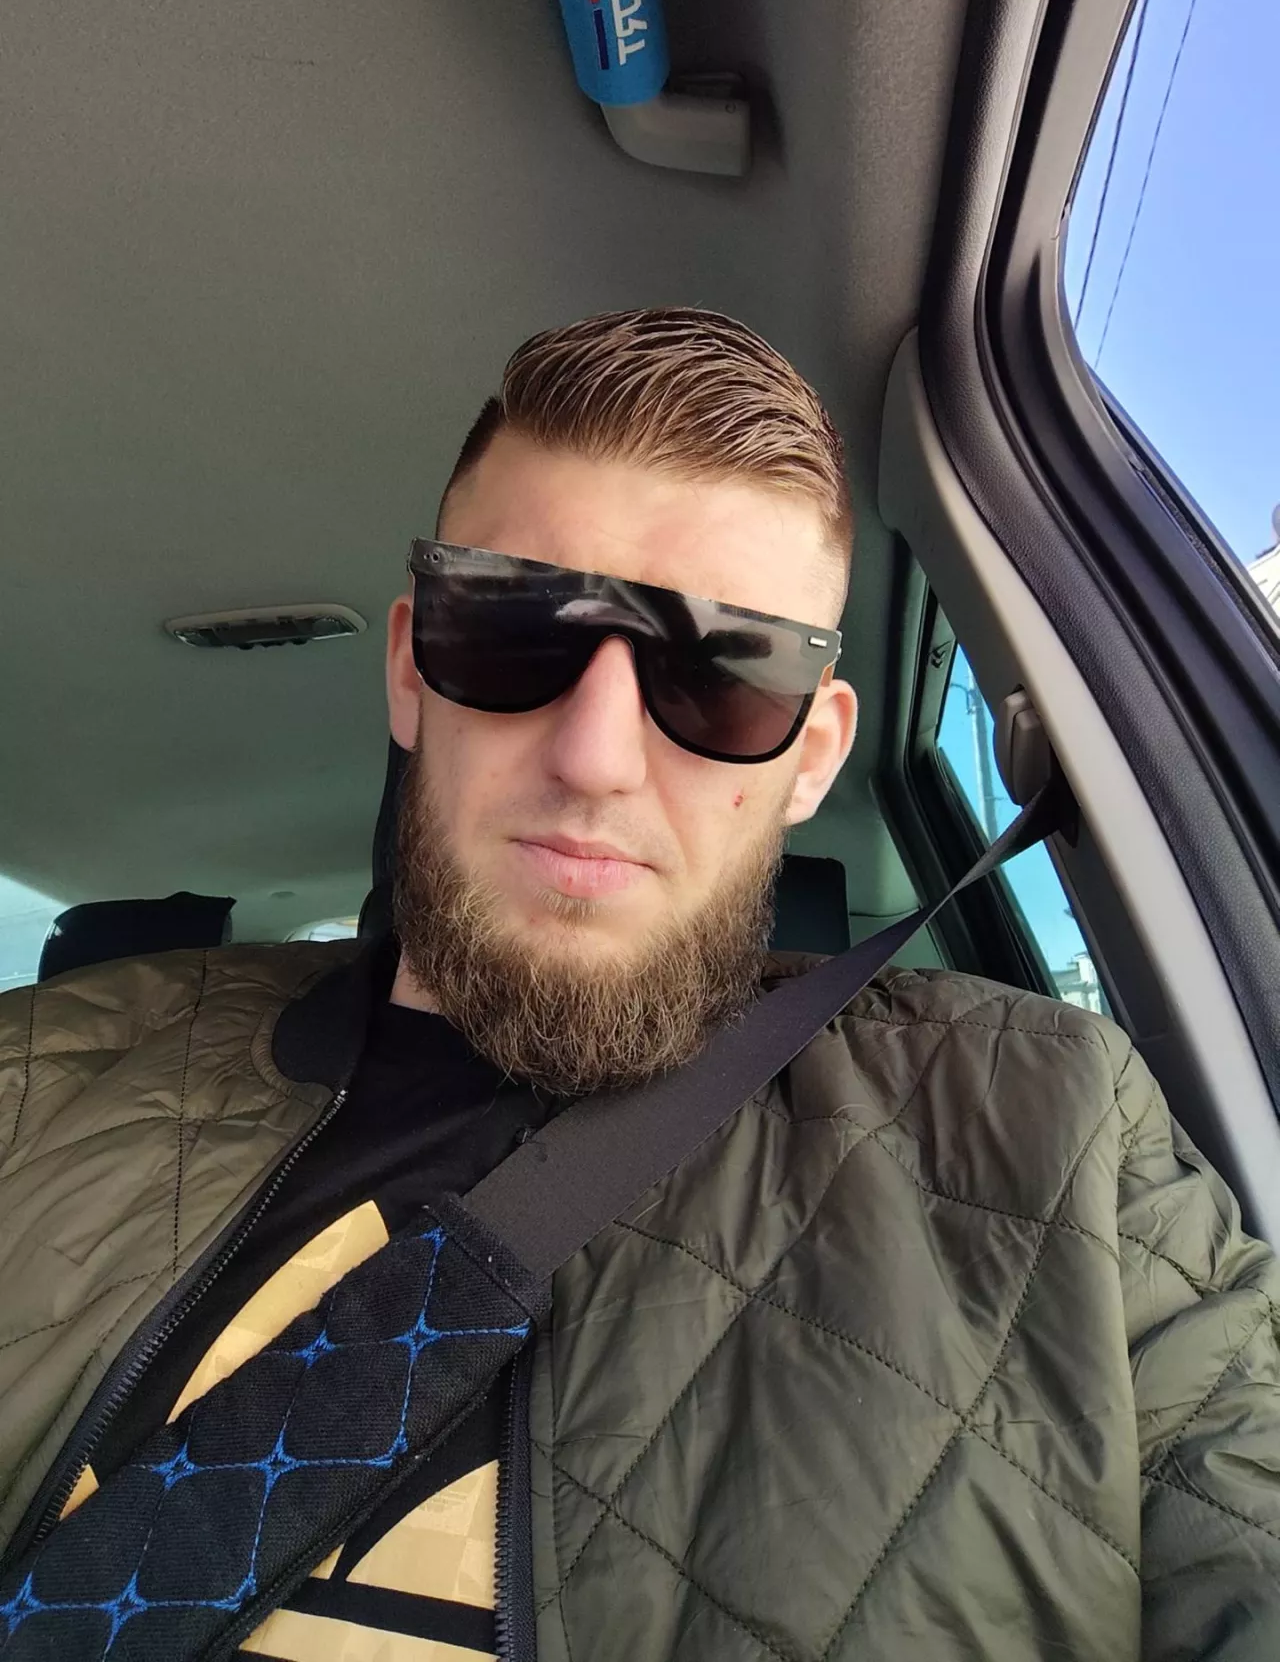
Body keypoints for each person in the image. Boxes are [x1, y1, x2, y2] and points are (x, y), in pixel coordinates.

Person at [1, 307, 1278, 1662]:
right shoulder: (32, 1083)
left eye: (725, 671)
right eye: (513, 629)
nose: (596, 756)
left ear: (812, 755)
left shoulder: (1051, 1134)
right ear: (411, 669)